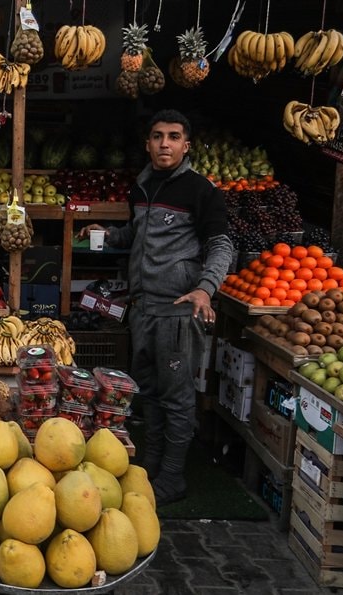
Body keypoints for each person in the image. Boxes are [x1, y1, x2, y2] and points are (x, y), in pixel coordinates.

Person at [82, 109, 233, 506]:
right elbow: (138, 234)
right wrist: (109, 234)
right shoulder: (143, 186)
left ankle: (172, 478)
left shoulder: (201, 191)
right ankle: (148, 466)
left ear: (186, 145)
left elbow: (221, 245)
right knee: (146, 392)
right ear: (147, 143)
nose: (165, 143)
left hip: (178, 310)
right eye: (157, 136)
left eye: (173, 136)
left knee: (177, 397)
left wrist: (205, 289)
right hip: (143, 309)